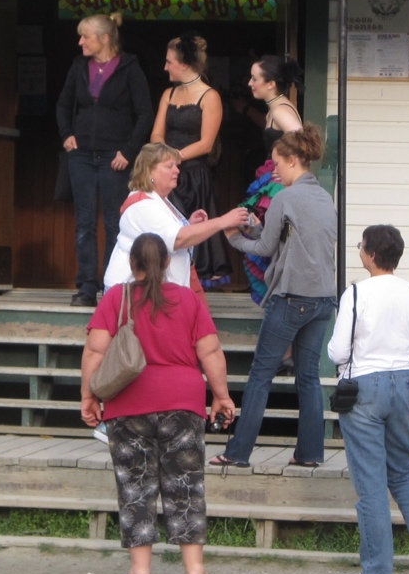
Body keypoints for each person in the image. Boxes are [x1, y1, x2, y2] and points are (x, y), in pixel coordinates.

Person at [80, 232, 236, 574]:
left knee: (136, 486)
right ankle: (196, 573)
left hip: (127, 405)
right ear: (167, 263)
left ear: (131, 263)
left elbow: (95, 351)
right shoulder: (188, 299)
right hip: (183, 404)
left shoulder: (116, 298)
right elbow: (210, 351)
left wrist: (88, 396)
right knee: (186, 485)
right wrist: (221, 396)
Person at [328, 224, 409, 574]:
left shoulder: (355, 293)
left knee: (371, 484)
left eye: (361, 246)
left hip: (365, 386)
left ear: (370, 254)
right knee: (403, 472)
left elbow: (338, 351)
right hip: (406, 383)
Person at [213, 123, 336, 468]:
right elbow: (285, 238)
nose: (275, 170)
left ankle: (237, 453)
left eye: (278, 163)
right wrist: (256, 228)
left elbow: (265, 248)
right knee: (308, 377)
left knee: (261, 375)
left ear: (293, 160)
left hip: (291, 297)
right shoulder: (325, 198)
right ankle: (310, 454)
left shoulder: (285, 197)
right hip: (323, 299)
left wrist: (234, 237)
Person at [56, 12, 153, 307]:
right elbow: (63, 104)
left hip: (115, 157)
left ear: (105, 38)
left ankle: (112, 286)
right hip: (81, 155)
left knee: (114, 223)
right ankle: (86, 287)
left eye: (86, 36)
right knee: (84, 223)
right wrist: (66, 134)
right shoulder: (78, 66)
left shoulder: (130, 67)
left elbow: (144, 113)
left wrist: (128, 151)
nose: (80, 42)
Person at [103, 143, 248, 294]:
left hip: (150, 292)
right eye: (169, 166)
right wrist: (224, 221)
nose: (177, 170)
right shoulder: (143, 205)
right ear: (149, 170)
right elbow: (178, 239)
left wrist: (188, 225)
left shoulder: (160, 199)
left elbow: (166, 233)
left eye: (176, 166)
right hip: (132, 294)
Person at [150, 31, 233, 289]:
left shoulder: (210, 96)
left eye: (169, 62)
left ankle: (195, 288)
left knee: (194, 231)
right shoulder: (168, 94)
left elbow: (207, 143)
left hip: (194, 174)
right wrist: (164, 157)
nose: (165, 67)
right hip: (167, 173)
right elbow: (156, 134)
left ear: (184, 64)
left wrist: (176, 156)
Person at [238, 55, 303, 305]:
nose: (250, 83)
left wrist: (287, 169)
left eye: (255, 79)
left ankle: (276, 299)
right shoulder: (276, 107)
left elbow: (300, 138)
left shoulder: (279, 109)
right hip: (272, 180)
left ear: (271, 83)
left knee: (265, 240)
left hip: (277, 185)